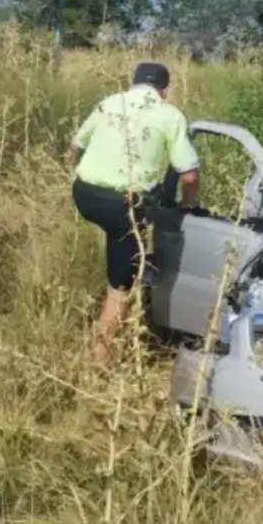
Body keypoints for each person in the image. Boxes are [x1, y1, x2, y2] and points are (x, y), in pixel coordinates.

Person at [67, 62, 202, 364]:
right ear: (165, 90)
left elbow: (75, 146)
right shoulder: (170, 114)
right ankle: (99, 362)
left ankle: (131, 274)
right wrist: (188, 205)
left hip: (84, 194)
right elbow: (190, 175)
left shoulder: (109, 103)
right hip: (123, 205)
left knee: (120, 241)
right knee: (121, 285)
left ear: (133, 83)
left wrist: (79, 176)